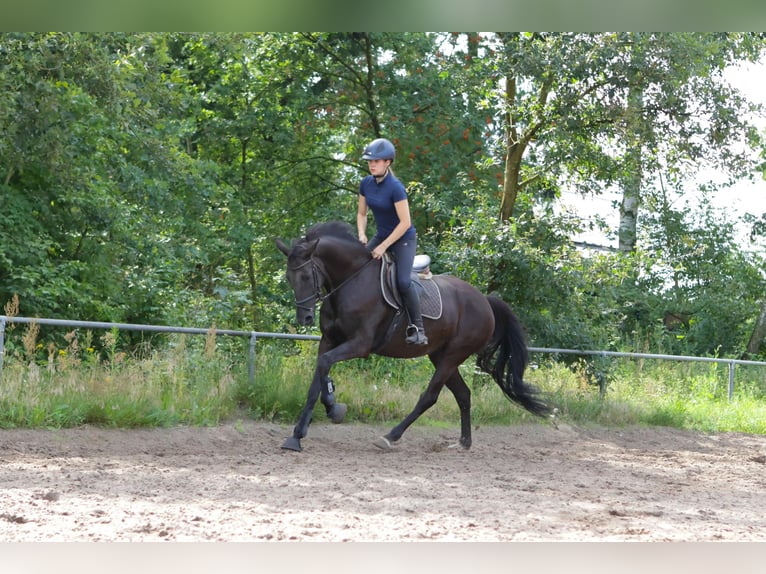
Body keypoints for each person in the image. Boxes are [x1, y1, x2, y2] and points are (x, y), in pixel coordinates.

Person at [357, 137, 428, 345]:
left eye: (376, 161)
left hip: (403, 239)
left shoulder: (395, 187)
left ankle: (418, 328)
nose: (372, 164)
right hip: (381, 235)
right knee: (358, 267)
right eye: (370, 161)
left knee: (403, 282)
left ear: (388, 162)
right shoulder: (366, 184)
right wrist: (362, 233)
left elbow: (405, 223)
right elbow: (362, 214)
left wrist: (384, 246)